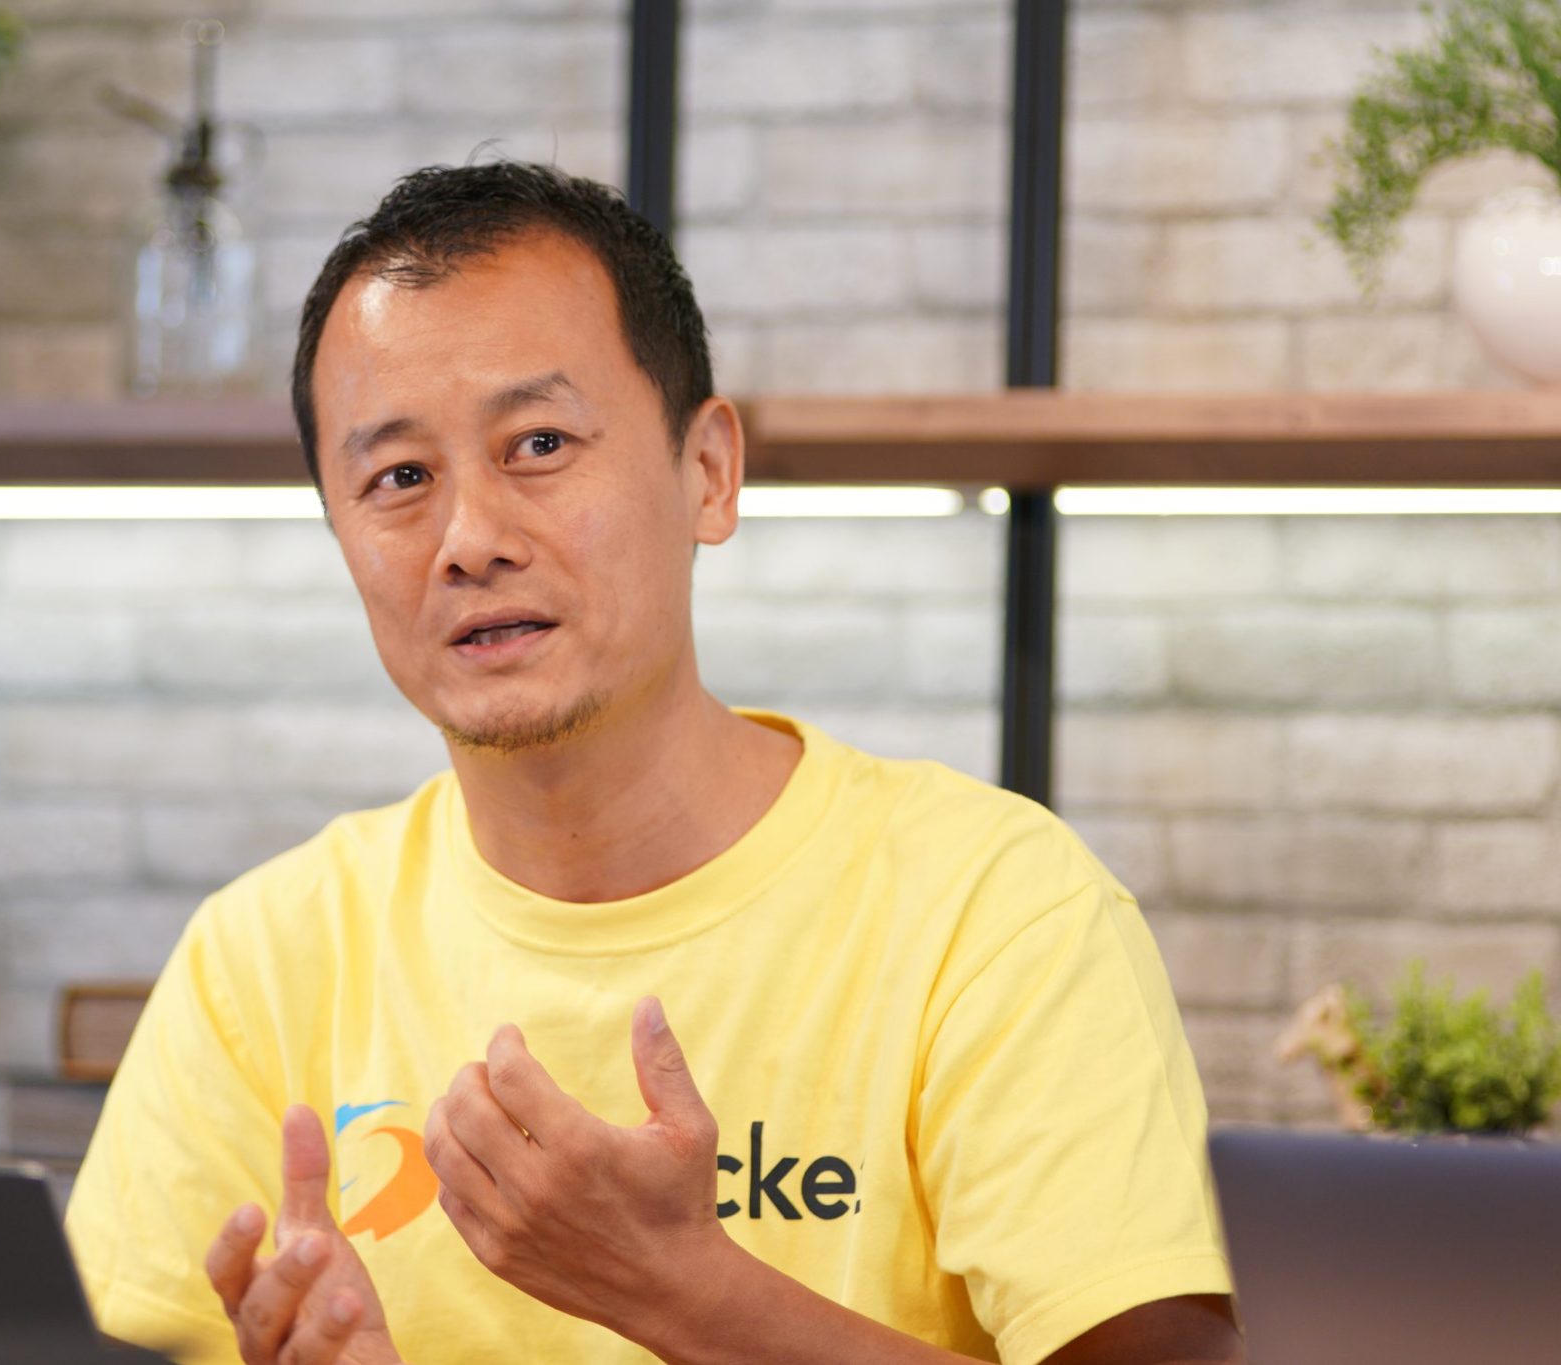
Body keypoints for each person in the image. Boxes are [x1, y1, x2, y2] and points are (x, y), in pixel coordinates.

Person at [63, 161, 1245, 1365]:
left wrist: (684, 1294)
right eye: (399, 478)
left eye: (538, 443)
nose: (469, 539)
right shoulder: (262, 958)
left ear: (707, 472)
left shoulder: (993, 911)